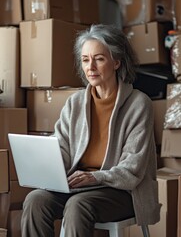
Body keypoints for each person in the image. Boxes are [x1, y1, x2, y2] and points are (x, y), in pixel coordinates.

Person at [21, 24, 161, 237]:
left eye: (99, 59)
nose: (90, 67)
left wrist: (96, 177)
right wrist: (47, 166)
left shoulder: (138, 104)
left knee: (78, 205)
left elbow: (133, 168)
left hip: (123, 191)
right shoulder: (75, 103)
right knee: (35, 200)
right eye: (85, 60)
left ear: (116, 62)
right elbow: (63, 147)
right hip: (79, 187)